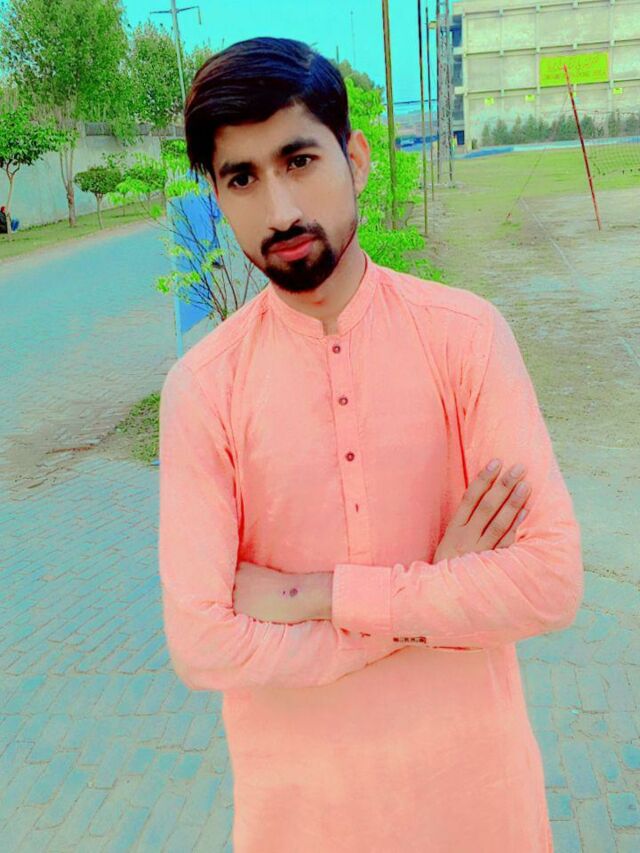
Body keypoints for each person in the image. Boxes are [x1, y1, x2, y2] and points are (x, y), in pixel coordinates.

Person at [158, 36, 583, 852]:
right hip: (301, 823)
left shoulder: (463, 337)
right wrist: (429, 599)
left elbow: (550, 580)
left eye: (299, 160)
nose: (279, 208)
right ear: (215, 195)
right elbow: (202, 642)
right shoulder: (204, 390)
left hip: (478, 809)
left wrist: (318, 593)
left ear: (354, 158)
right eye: (241, 178)